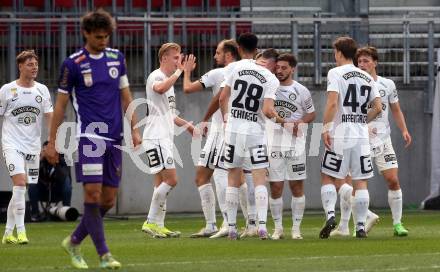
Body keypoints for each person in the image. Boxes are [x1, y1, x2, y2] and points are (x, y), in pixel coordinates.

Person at [46, 10, 141, 269]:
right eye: (98, 37)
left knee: (108, 200)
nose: (103, 41)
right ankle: (104, 255)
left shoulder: (116, 58)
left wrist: (134, 128)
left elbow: (126, 96)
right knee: (92, 192)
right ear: (86, 33)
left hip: (115, 137)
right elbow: (60, 106)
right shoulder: (73, 64)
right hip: (89, 136)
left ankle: (74, 240)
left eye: (107, 36)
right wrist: (52, 142)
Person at [331, 46, 411, 237]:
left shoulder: (388, 85)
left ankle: (398, 224)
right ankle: (345, 225)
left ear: (375, 63)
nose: (362, 64)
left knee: (392, 180)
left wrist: (404, 130)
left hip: (383, 140)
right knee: (353, 183)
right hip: (360, 140)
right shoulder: (354, 82)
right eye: (359, 61)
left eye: (366, 61)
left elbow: (396, 109)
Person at [219, 32, 282, 240]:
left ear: (238, 47)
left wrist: (228, 118)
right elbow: (267, 109)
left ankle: (232, 227)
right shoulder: (270, 77)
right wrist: (280, 119)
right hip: (255, 131)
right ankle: (262, 226)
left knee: (232, 177)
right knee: (259, 178)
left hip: (234, 130)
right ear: (257, 49)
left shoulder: (234, 68)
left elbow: (223, 97)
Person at [320, 36, 382, 239]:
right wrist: (363, 120)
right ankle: (361, 227)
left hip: (340, 132)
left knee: (328, 175)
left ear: (338, 52)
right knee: (360, 180)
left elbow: (332, 104)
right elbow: (378, 107)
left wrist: (325, 128)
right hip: (360, 135)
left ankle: (330, 215)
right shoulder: (366, 76)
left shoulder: (335, 73)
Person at [182, 39, 242, 238]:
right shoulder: (244, 72)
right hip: (236, 130)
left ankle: (228, 222)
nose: (215, 57)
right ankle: (211, 225)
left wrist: (187, 71)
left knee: (221, 175)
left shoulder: (219, 73)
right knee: (202, 176)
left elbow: (188, 88)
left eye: (218, 52)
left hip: (222, 131)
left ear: (229, 55)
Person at [141, 42, 195, 239]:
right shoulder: (157, 76)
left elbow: (170, 114)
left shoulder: (170, 82)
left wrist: (189, 126)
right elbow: (161, 88)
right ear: (164, 58)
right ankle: (150, 221)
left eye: (179, 57)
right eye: (175, 57)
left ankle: (159, 225)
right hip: (155, 137)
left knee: (160, 184)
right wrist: (180, 72)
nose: (178, 60)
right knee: (172, 180)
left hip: (163, 137)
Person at [0, 50, 53, 245]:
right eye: (30, 64)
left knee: (20, 189)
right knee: (20, 184)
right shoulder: (7, 90)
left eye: (36, 64)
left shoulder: (42, 90)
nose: (34, 68)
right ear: (20, 66)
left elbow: (49, 117)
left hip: (32, 147)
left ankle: (7, 233)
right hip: (11, 144)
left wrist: (51, 142)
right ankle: (21, 232)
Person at [267, 53, 316, 240]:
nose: (279, 71)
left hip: (296, 144)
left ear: (293, 69)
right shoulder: (269, 88)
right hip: (274, 144)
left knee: (296, 187)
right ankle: (278, 228)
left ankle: (296, 229)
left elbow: (312, 114)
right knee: (276, 188)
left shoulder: (302, 90)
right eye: (277, 67)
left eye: (284, 68)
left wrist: (301, 123)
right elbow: (266, 111)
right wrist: (287, 123)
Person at [28, 141, 72, 222]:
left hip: (57, 191)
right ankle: (35, 214)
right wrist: (40, 160)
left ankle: (66, 212)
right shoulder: (39, 160)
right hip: (43, 191)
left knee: (67, 181)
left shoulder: (63, 160)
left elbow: (64, 176)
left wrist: (55, 162)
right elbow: (32, 175)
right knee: (32, 183)